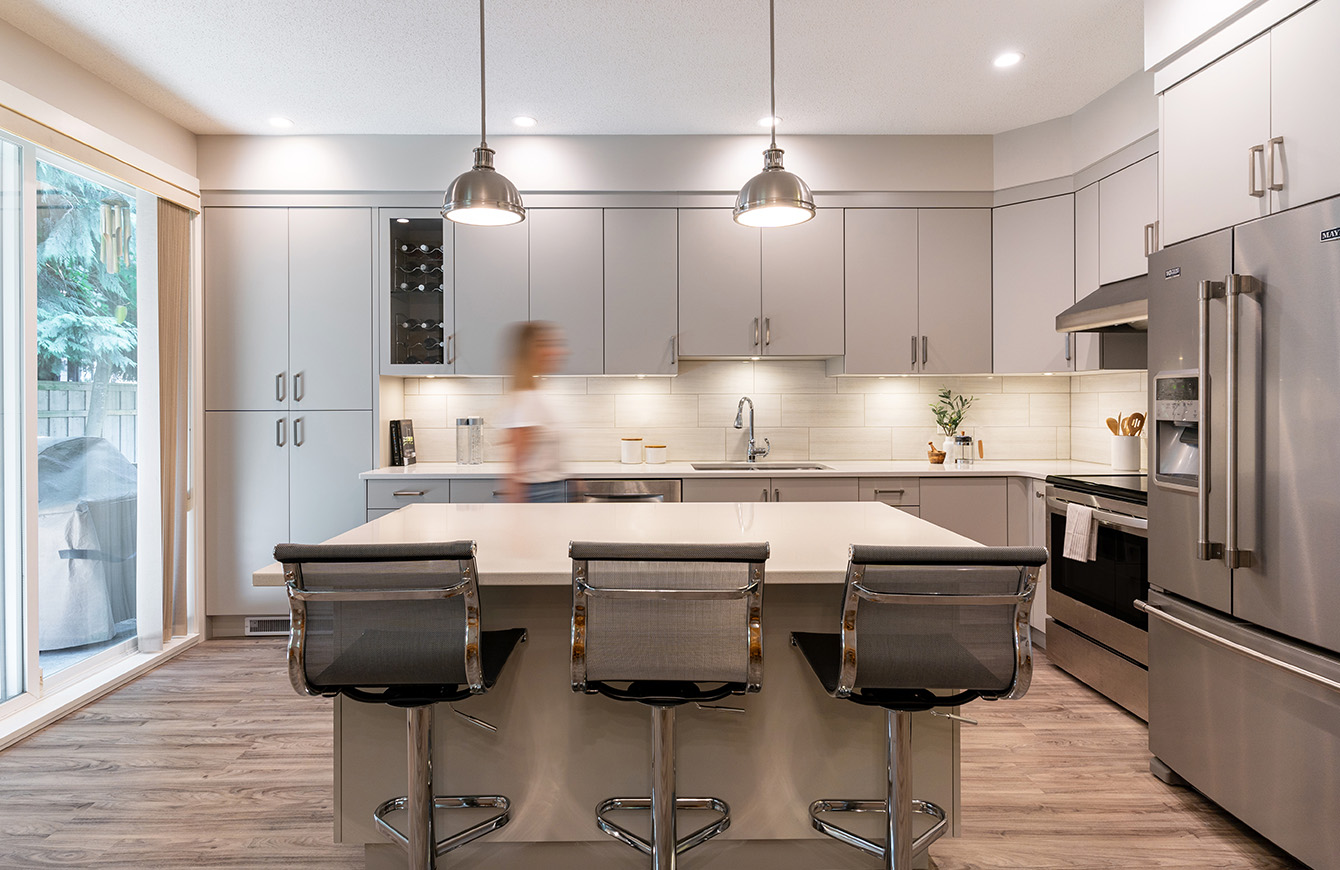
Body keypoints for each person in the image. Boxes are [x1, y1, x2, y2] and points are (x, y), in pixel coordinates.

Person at [494, 321, 569, 503]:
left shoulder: (535, 395)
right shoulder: (526, 400)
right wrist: (517, 514)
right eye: (545, 345)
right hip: (540, 493)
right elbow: (516, 466)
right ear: (529, 353)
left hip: (550, 488)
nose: (557, 351)